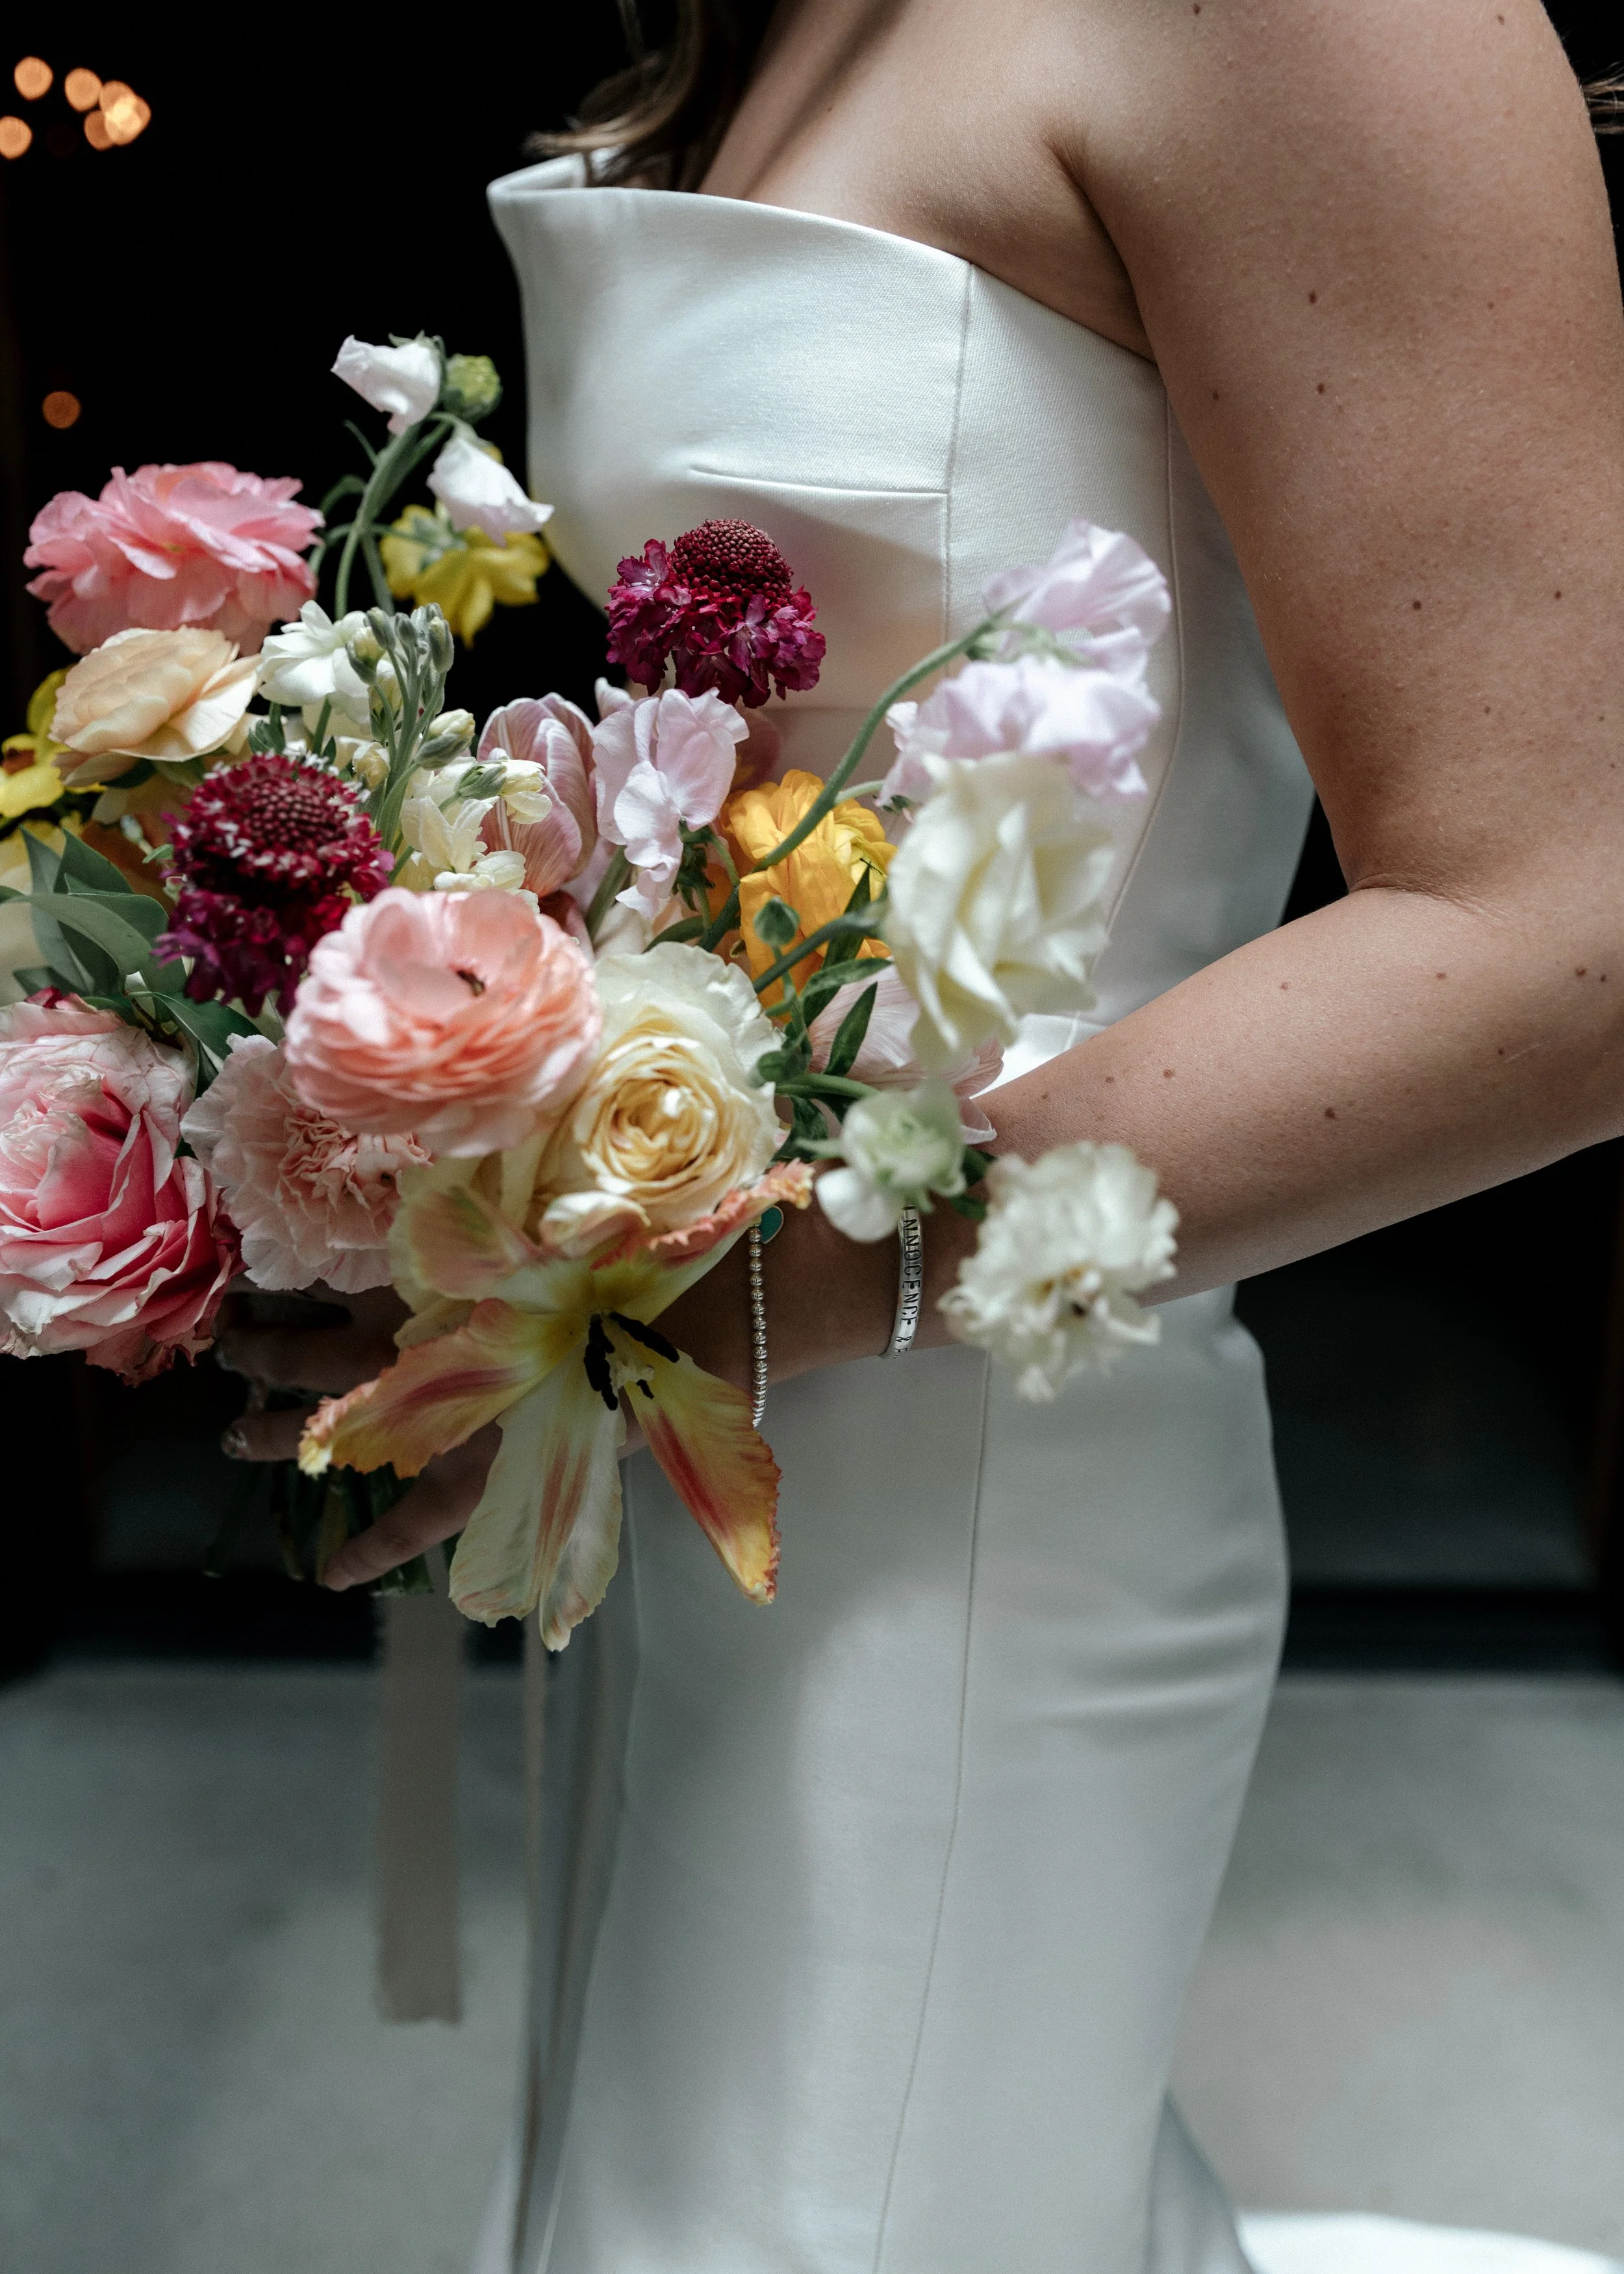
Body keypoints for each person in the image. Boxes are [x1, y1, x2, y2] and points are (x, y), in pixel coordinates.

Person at [221, 4, 1624, 2266]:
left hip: (975, 1493)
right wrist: (463, 1155)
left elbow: (1578, 930)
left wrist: (748, 1277)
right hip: (714, 1443)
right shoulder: (768, 15)